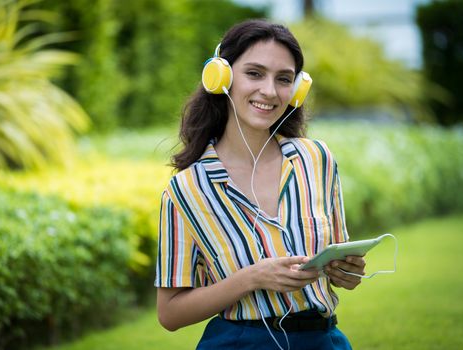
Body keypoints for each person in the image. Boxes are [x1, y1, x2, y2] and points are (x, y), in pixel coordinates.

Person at [154, 18, 366, 350]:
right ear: (221, 77)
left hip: (324, 341)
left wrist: (348, 273)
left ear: (297, 90)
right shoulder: (185, 190)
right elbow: (169, 313)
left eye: (284, 79)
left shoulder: (317, 159)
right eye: (254, 73)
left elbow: (344, 273)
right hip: (240, 343)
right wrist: (251, 278)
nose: (269, 91)